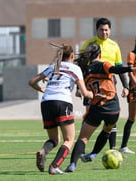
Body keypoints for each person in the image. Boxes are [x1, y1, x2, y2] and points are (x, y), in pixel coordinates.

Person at [64, 43, 136, 172]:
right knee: (107, 130)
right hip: (113, 108)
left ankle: (72, 164)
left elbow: (82, 89)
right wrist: (132, 69)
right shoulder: (104, 64)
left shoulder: (85, 70)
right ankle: (94, 153)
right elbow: (116, 70)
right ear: (100, 55)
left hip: (96, 107)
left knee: (83, 138)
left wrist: (79, 90)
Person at [28, 43, 93, 175]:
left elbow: (31, 82)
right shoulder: (75, 68)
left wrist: (40, 89)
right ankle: (54, 166)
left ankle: (43, 152)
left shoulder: (53, 67)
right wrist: (93, 94)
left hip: (46, 102)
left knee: (54, 139)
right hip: (62, 102)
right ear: (72, 56)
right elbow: (85, 92)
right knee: (69, 139)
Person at [79, 17, 129, 150]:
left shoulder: (114, 45)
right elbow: (81, 66)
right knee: (89, 116)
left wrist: (126, 86)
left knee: (112, 117)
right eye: (101, 30)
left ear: (110, 30)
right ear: (96, 30)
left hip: (109, 85)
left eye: (106, 30)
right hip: (92, 85)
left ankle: (112, 149)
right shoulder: (90, 44)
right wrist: (80, 86)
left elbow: (119, 67)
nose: (104, 32)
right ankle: (82, 148)